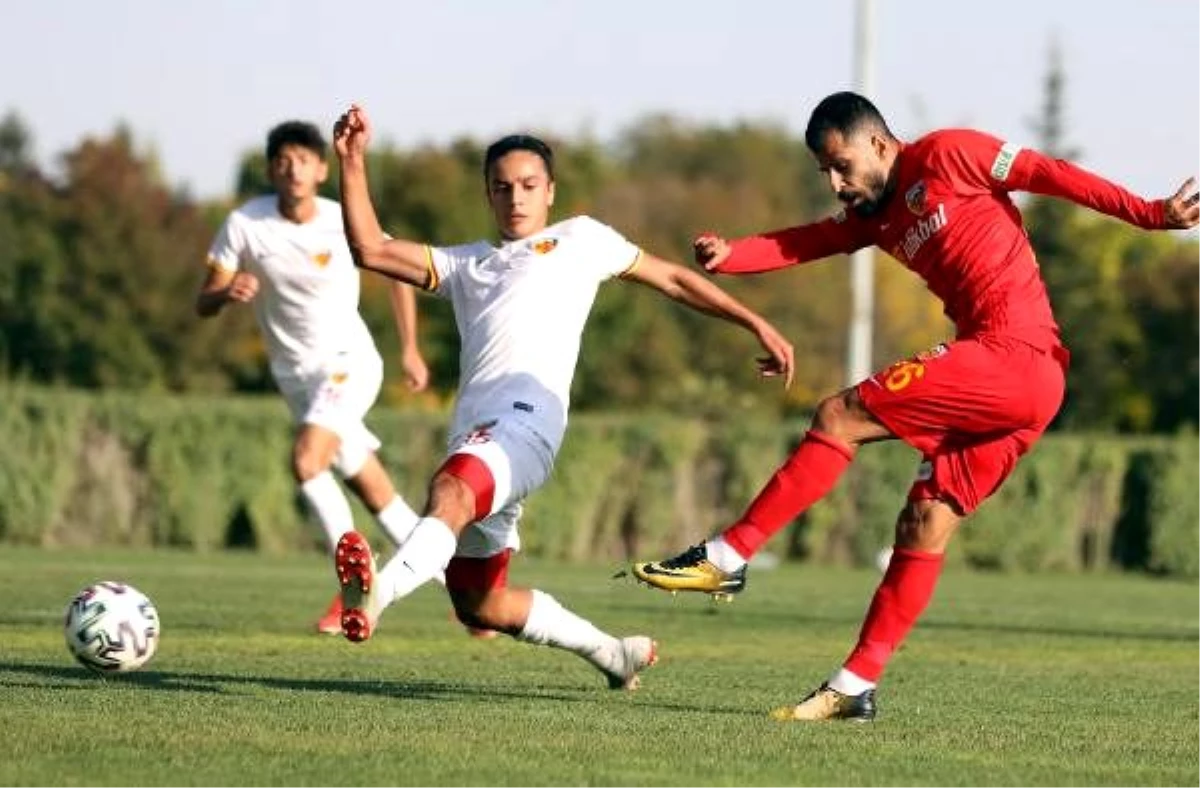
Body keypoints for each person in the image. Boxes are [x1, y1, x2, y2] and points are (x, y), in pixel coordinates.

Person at [632, 91, 1200, 719]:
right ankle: (853, 686)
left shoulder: (952, 152)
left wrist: (1149, 213)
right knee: (924, 522)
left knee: (836, 416)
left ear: (878, 143)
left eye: (841, 164)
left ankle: (728, 555)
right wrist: (730, 256)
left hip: (1015, 355)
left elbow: (1048, 173)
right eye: (825, 171)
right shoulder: (875, 215)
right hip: (1023, 388)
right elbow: (808, 241)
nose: (835, 181)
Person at [328, 103, 795, 690]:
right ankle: (612, 654)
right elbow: (371, 248)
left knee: (449, 489)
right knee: (480, 604)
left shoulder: (581, 239)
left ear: (550, 191)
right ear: (487, 195)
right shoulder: (466, 264)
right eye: (502, 188)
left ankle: (377, 597)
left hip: (526, 426)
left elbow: (673, 278)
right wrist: (351, 161)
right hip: (478, 436)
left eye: (528, 185)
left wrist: (755, 322)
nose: (516, 198)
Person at [195, 120, 432, 635]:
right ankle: (464, 584)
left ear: (322, 169)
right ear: (270, 169)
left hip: (351, 363)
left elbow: (396, 271)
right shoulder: (244, 224)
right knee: (373, 489)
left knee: (306, 461)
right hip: (297, 380)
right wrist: (226, 291)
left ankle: (354, 583)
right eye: (283, 159)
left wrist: (411, 348)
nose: (294, 168)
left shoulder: (343, 218)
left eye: (304, 158)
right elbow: (202, 301)